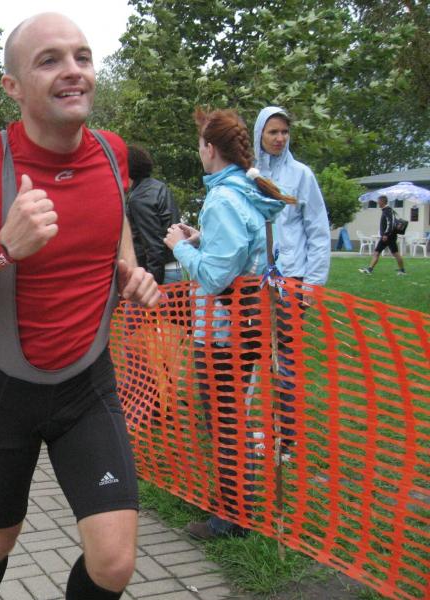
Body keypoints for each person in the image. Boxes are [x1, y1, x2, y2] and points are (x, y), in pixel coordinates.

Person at [0, 13, 160, 600]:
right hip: (6, 389)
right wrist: (3, 247)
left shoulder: (111, 152)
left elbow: (114, 212)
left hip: (88, 386)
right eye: (49, 60)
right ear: (13, 87)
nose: (73, 71)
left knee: (114, 561)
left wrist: (126, 268)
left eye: (82, 57)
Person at [164, 107, 294, 541]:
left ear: (209, 148)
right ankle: (234, 500)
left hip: (223, 331)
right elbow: (242, 246)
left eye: (199, 144)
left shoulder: (222, 198)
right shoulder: (245, 190)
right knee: (232, 416)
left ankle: (232, 516)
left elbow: (217, 276)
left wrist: (180, 247)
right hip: (247, 324)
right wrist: (202, 238)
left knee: (224, 422)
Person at [253, 107, 330, 285]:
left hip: (292, 276)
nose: (280, 138)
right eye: (273, 132)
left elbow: (318, 230)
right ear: (260, 134)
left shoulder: (302, 174)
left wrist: (313, 284)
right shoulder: (249, 174)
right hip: (254, 278)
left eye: (285, 132)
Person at [126, 144, 181, 284]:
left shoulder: (140, 198)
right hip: (173, 267)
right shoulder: (158, 186)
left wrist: (152, 284)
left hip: (160, 273)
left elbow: (153, 245)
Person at [359, 195, 406, 275]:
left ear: (382, 202)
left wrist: (386, 234)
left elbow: (390, 223)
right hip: (390, 236)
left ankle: (370, 269)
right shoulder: (387, 210)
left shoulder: (387, 210)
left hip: (388, 237)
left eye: (378, 201)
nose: (377, 202)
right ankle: (402, 270)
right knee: (392, 253)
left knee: (379, 252)